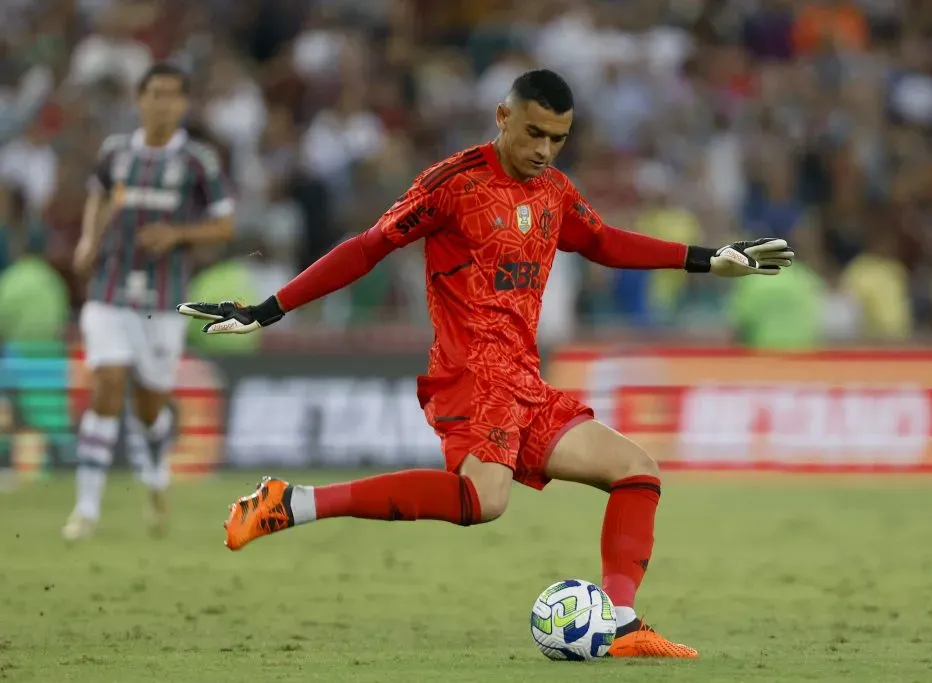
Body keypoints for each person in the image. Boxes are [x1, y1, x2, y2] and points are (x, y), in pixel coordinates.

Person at [180, 70, 793, 658]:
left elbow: (602, 241)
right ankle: (294, 501)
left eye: (558, 138)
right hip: (472, 372)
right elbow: (368, 248)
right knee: (486, 499)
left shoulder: (553, 191)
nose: (545, 149)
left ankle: (620, 621)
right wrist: (268, 308)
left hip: (522, 375)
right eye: (534, 133)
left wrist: (709, 259)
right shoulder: (453, 184)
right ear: (503, 117)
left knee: (637, 471)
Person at [63, 63, 235, 541]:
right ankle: (86, 509)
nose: (162, 103)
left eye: (172, 95)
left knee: (148, 407)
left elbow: (224, 224)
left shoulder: (199, 160)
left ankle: (156, 478)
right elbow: (97, 197)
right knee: (107, 385)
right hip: (109, 292)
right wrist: (87, 241)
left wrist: (177, 232)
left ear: (183, 104)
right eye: (154, 94)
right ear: (140, 99)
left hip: (163, 299)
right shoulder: (115, 153)